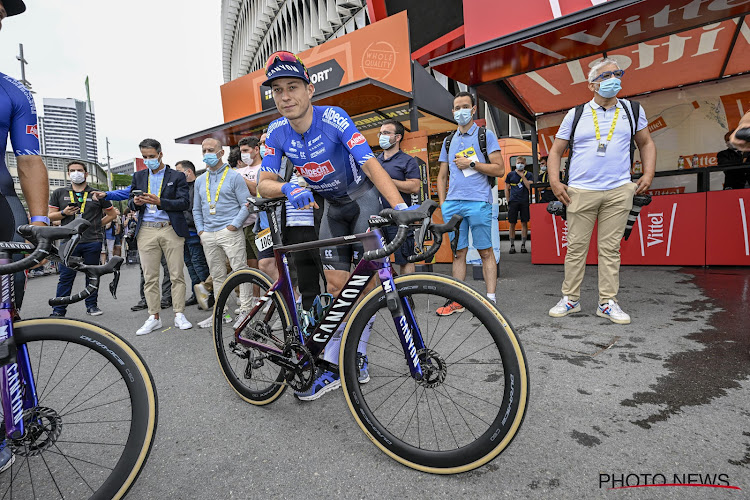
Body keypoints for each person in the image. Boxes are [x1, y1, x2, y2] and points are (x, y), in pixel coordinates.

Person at [257, 51, 409, 401]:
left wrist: (399, 208)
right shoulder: (277, 131)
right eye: (277, 90)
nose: (285, 96)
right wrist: (286, 186)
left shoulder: (334, 119)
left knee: (370, 284)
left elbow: (370, 163)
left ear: (310, 89)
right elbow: (264, 182)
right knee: (337, 285)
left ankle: (358, 355)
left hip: (362, 201)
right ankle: (333, 363)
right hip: (331, 209)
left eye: (292, 87)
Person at [546, 58, 656, 325]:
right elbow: (556, 151)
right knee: (576, 248)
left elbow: (646, 143)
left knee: (610, 249)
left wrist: (648, 173)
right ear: (591, 84)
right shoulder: (576, 113)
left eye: (617, 73)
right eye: (606, 75)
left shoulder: (632, 109)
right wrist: (554, 181)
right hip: (581, 191)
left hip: (619, 190)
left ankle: (607, 302)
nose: (614, 79)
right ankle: (570, 299)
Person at [1, 0, 49, 473]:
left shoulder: (12, 91)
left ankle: (6, 423)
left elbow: (30, 159)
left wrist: (37, 222)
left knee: (3, 317)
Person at [435, 91, 505, 315]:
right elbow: (442, 176)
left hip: (478, 202)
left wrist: (472, 163)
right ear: (453, 111)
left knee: (485, 252)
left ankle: (490, 300)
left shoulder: (486, 135)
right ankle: (457, 301)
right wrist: (444, 204)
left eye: (465, 106)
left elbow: (500, 169)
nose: (460, 111)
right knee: (458, 253)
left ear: (473, 110)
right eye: (457, 108)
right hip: (453, 205)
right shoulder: (448, 140)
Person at [128, 139, 192, 334]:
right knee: (150, 276)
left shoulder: (177, 176)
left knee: (176, 274)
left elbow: (184, 203)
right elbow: (130, 203)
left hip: (170, 228)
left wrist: (160, 201)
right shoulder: (138, 176)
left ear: (160, 154)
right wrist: (136, 202)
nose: (148, 160)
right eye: (145, 157)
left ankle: (179, 313)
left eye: (151, 157)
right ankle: (153, 316)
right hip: (146, 229)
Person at [193, 137, 253, 329]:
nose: (207, 154)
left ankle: (246, 311)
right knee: (217, 275)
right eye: (204, 151)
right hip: (208, 234)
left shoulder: (234, 176)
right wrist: (201, 230)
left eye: (211, 150)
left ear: (221, 153)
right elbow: (196, 208)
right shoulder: (200, 180)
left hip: (229, 231)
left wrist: (234, 225)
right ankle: (221, 313)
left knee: (240, 271)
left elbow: (247, 203)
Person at [48, 161, 117, 317]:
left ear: (86, 174)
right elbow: (51, 216)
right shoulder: (59, 193)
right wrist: (64, 213)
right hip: (68, 241)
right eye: (72, 170)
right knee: (66, 276)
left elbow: (112, 214)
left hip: (92, 240)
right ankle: (58, 310)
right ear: (68, 174)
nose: (76, 173)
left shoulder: (97, 194)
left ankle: (92, 306)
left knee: (92, 274)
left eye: (79, 170)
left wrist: (96, 225)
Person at [92, 185, 173, 310]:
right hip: (146, 231)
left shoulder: (168, 182)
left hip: (166, 230)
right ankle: (145, 299)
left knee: (168, 268)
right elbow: (122, 193)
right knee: (145, 269)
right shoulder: (141, 181)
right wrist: (106, 194)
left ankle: (167, 298)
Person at [376, 119, 421, 274]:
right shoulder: (374, 162)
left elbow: (415, 187)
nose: (382, 136)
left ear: (398, 137)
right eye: (381, 133)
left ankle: (407, 294)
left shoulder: (408, 161)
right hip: (376, 220)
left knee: (405, 258)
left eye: (386, 133)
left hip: (399, 219)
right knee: (378, 261)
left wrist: (387, 182)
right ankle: (385, 295)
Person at [174, 160, 210, 307]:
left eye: (179, 171)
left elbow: (200, 210)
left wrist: (202, 231)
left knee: (199, 263)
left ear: (188, 171)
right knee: (190, 264)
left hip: (195, 231)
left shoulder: (198, 186)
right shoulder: (180, 188)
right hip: (183, 232)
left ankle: (208, 293)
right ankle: (197, 294)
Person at [504, 157, 532, 254]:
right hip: (513, 201)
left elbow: (529, 186)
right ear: (515, 163)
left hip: (524, 201)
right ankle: (512, 246)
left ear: (525, 164)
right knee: (512, 223)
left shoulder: (529, 174)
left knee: (524, 223)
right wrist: (508, 201)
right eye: (518, 162)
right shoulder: (510, 175)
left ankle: (523, 245)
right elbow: (506, 188)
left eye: (522, 163)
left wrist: (522, 176)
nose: (520, 164)